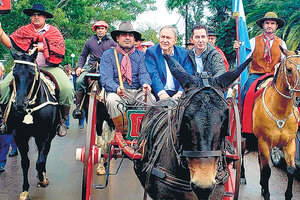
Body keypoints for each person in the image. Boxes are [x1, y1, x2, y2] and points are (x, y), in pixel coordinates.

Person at [0, 3, 74, 137]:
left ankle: (61, 121)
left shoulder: (54, 32)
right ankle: (4, 121)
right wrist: (0, 32)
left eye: (39, 15)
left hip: (49, 67)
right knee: (3, 87)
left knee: (67, 89)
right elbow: (9, 43)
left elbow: (59, 50)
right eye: (33, 15)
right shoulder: (24, 30)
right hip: (26, 67)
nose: (36, 17)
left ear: (45, 17)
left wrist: (43, 48)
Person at [100, 22, 153, 132]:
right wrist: (116, 88)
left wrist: (146, 84)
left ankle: (143, 131)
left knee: (151, 99)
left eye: (131, 35)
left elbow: (143, 73)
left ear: (134, 40)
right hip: (118, 93)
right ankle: (125, 131)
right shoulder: (108, 55)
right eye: (124, 35)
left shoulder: (142, 55)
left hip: (137, 92)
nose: (127, 38)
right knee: (111, 100)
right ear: (118, 38)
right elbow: (106, 78)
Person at [233, 11, 287, 107]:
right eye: (267, 23)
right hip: (256, 75)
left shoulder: (282, 43)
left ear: (276, 26)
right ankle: (243, 118)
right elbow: (243, 58)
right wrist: (239, 49)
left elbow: (285, 62)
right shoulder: (253, 41)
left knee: (291, 93)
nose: (269, 26)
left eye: (272, 23)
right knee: (245, 93)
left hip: (275, 76)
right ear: (263, 25)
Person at [74, 20, 116, 118]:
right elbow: (83, 55)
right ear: (95, 30)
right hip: (92, 68)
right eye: (98, 29)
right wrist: (79, 67)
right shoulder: (90, 42)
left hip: (107, 69)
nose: (100, 31)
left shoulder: (112, 42)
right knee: (79, 81)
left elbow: (116, 57)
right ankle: (78, 106)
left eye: (102, 29)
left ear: (106, 30)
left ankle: (115, 105)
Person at [145, 25, 193, 100]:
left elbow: (188, 75)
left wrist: (180, 93)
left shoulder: (184, 54)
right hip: (159, 93)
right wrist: (162, 94)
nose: (164, 40)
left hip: (179, 94)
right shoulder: (151, 52)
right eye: (162, 37)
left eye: (168, 38)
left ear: (175, 40)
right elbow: (153, 74)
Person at [63, 64, 73, 129]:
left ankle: (67, 124)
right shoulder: (66, 77)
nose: (71, 71)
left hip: (68, 95)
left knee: (67, 109)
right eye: (70, 70)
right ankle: (65, 123)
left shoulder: (71, 77)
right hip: (65, 94)